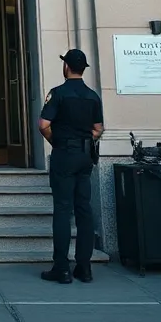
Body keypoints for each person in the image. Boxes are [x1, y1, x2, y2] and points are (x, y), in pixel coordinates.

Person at [39, 48, 104, 284]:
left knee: (63, 209)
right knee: (84, 210)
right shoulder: (93, 96)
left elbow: (43, 125)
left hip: (64, 154)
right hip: (85, 156)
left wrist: (58, 141)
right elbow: (98, 129)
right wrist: (83, 141)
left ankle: (62, 268)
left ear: (66, 66)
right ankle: (84, 267)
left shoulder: (58, 93)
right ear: (83, 69)